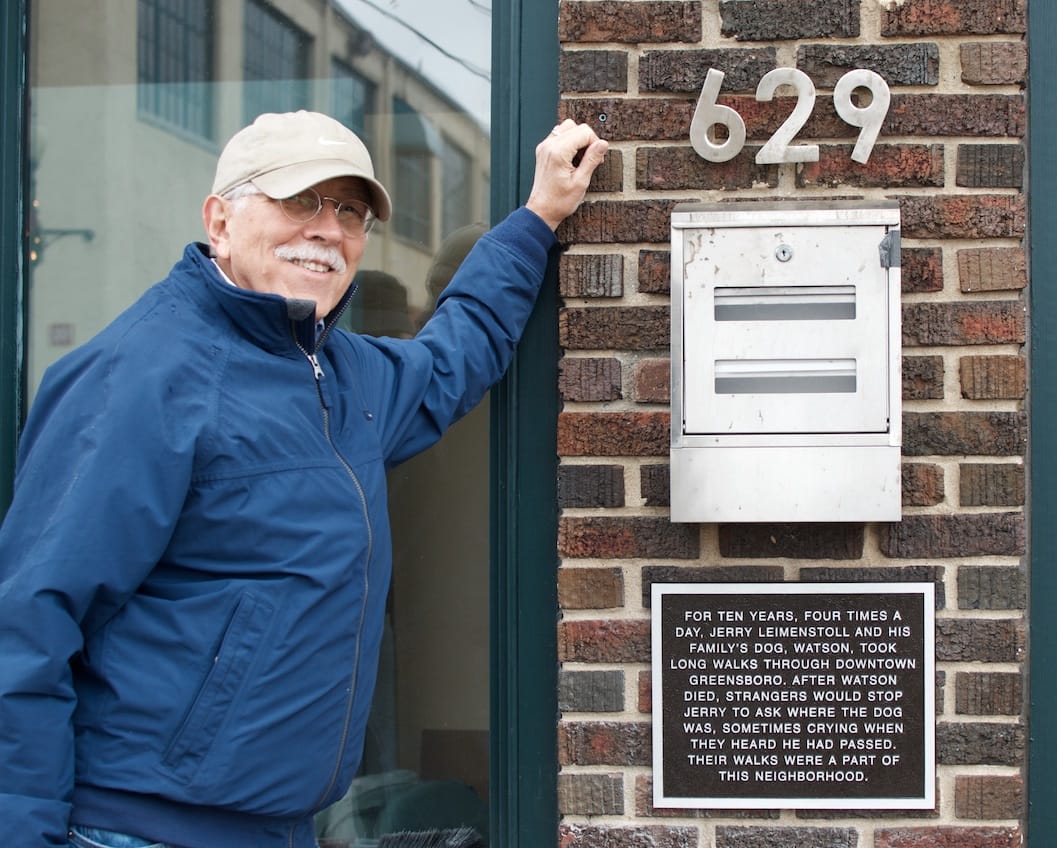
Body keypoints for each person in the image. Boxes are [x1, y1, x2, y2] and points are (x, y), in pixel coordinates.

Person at [0, 109, 607, 848]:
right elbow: (28, 623)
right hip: (141, 830)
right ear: (218, 221)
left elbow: (455, 354)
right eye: (299, 201)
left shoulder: (339, 374)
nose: (328, 229)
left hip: (284, 827)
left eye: (350, 210)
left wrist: (539, 216)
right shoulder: (139, 376)